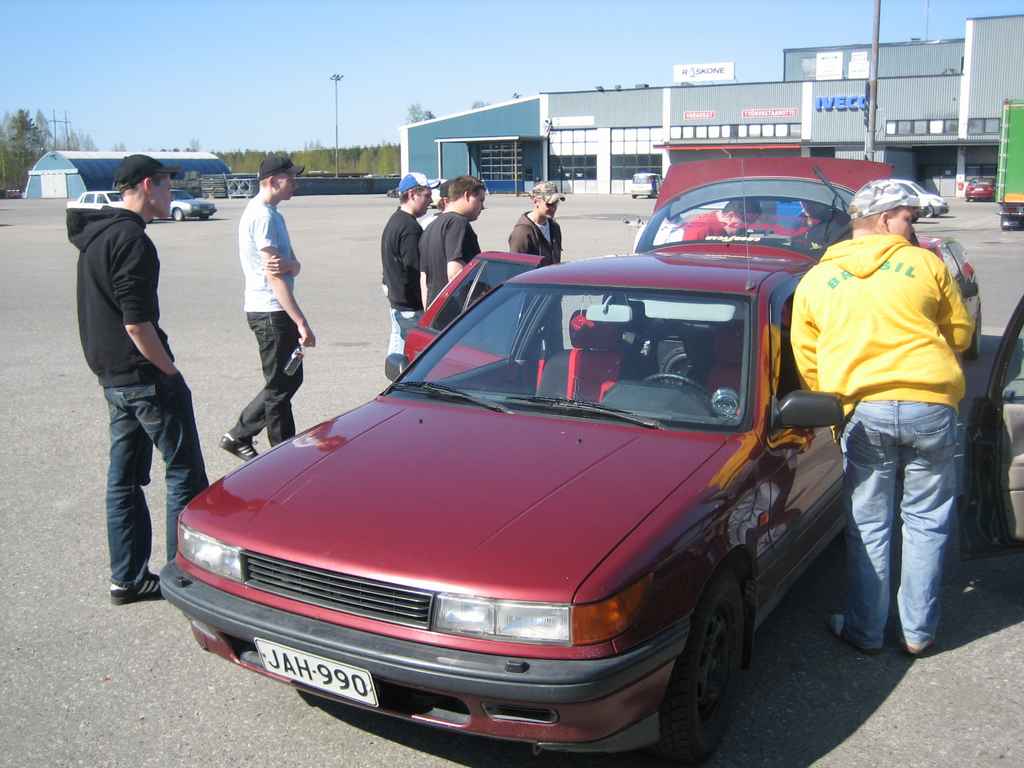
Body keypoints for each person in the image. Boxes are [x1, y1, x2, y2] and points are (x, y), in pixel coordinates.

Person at [790, 179, 974, 656]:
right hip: (930, 405)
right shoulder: (926, 264)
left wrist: (833, 405)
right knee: (926, 521)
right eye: (908, 218)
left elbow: (807, 358)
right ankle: (917, 632)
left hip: (863, 410)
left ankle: (865, 630)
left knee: (869, 524)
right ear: (885, 218)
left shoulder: (817, 279)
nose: (912, 229)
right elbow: (960, 334)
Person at [69, 154, 209, 604]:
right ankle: (184, 576)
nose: (172, 192)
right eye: (167, 184)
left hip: (114, 378)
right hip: (145, 377)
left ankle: (126, 578)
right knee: (185, 472)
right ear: (148, 185)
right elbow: (136, 323)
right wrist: (169, 370)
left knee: (124, 478)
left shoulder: (97, 236)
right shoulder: (132, 240)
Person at [221, 155, 315, 461]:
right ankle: (281, 458)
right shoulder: (263, 216)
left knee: (288, 380)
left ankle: (240, 434)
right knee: (279, 388)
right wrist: (301, 321)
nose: (295, 183)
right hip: (270, 311)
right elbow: (275, 276)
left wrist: (292, 265)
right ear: (273, 181)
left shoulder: (272, 214)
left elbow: (293, 265)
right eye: (291, 177)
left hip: (273, 309)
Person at [381, 172, 436, 357]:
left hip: (398, 301)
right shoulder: (409, 228)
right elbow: (414, 271)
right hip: (409, 307)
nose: (430, 201)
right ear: (412, 195)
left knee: (398, 349)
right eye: (427, 195)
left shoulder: (396, 220)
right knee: (412, 355)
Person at [418, 175, 486, 306]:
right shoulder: (457, 222)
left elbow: (424, 278)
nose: (482, 207)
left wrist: (429, 311)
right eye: (480, 200)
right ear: (467, 195)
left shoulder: (431, 226)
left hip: (435, 309)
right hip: (455, 310)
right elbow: (455, 272)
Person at [508, 181, 565, 267]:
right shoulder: (522, 232)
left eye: (556, 203)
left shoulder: (554, 227)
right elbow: (516, 268)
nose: (553, 208)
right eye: (549, 204)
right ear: (536, 202)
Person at [680, 199, 761, 240]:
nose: (747, 227)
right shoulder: (700, 230)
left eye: (752, 222)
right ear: (730, 215)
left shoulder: (733, 231)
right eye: (746, 221)